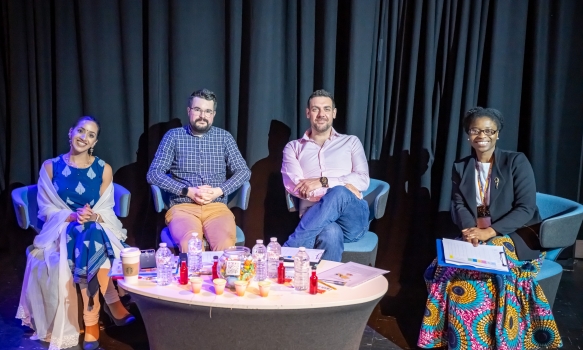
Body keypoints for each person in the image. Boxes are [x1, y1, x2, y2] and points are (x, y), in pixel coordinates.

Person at [418, 107, 561, 349]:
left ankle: (486, 341)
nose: (481, 135)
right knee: (444, 266)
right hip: (476, 234)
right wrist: (469, 230)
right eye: (475, 130)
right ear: (468, 135)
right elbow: (458, 204)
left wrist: (489, 232)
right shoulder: (461, 167)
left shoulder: (516, 161)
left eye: (488, 130)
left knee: (479, 273)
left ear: (497, 134)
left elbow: (526, 208)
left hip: (515, 235)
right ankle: (450, 338)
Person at [16, 116, 135, 350]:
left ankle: (92, 322)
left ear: (95, 141)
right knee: (87, 234)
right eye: (81, 131)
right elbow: (45, 208)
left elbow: (106, 209)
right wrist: (70, 216)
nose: (84, 137)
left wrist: (93, 216)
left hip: (95, 228)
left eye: (90, 135)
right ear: (71, 133)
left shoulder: (103, 169)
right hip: (61, 230)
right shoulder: (51, 167)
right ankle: (112, 304)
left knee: (91, 231)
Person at [147, 89, 251, 252]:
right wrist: (187, 191)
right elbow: (154, 174)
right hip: (183, 207)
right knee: (191, 245)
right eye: (198, 109)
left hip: (216, 207)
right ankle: (194, 278)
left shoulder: (224, 137)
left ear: (213, 114)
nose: (203, 115)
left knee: (225, 245)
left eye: (208, 111)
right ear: (189, 111)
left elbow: (243, 171)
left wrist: (219, 191)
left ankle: (221, 278)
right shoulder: (173, 136)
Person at [281, 89, 370, 262]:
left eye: (327, 109)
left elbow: (363, 180)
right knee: (331, 232)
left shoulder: (351, 142)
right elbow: (297, 187)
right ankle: (324, 287)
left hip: (352, 219)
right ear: (308, 113)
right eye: (315, 109)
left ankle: (288, 252)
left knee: (339, 193)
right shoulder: (293, 147)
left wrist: (322, 183)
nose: (321, 114)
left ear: (334, 113)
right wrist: (342, 187)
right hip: (315, 220)